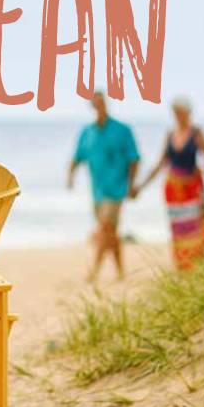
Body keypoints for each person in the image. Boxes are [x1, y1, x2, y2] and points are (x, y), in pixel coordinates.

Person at [133, 96, 204, 270]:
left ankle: (199, 267)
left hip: (192, 189)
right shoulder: (170, 134)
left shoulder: (197, 133)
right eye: (175, 112)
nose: (177, 116)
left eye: (180, 112)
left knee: (195, 228)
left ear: (188, 112)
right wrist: (141, 186)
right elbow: (161, 163)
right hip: (173, 190)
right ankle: (182, 267)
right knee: (178, 230)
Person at [67, 91, 140, 283]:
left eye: (102, 103)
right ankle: (121, 271)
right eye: (96, 104)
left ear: (106, 104)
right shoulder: (87, 132)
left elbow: (134, 159)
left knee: (104, 227)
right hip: (97, 191)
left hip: (116, 189)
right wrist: (70, 177)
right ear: (92, 107)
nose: (100, 106)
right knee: (111, 233)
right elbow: (77, 157)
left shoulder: (122, 130)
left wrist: (132, 185)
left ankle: (95, 270)